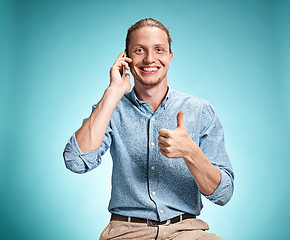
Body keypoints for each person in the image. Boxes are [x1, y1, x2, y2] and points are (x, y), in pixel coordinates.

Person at [63, 18, 234, 240]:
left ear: (170, 57)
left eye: (159, 50)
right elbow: (76, 161)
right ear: (127, 57)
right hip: (126, 233)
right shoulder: (111, 108)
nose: (150, 58)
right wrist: (114, 91)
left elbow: (223, 194)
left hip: (186, 232)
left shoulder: (201, 111)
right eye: (140, 50)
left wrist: (191, 152)